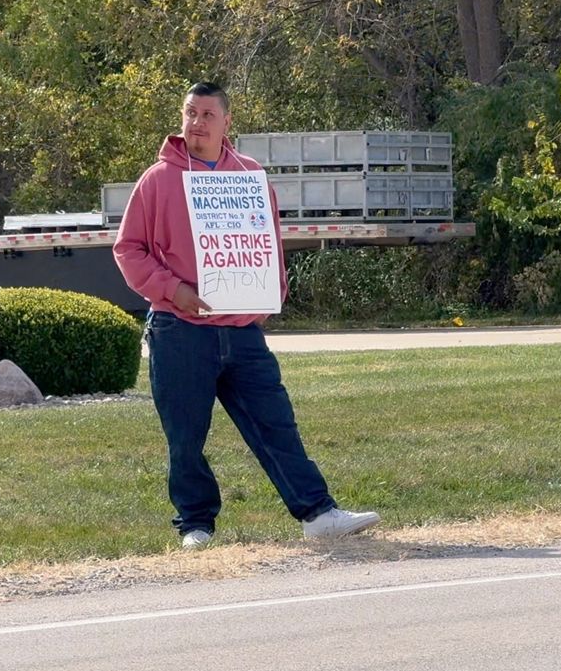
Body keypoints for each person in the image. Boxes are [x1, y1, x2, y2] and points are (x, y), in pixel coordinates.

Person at [112, 81, 379, 549]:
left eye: (207, 115)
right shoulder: (157, 180)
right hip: (180, 330)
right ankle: (196, 525)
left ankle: (318, 514)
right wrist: (175, 290)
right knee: (186, 437)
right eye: (190, 113)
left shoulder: (250, 176)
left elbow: (269, 245)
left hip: (241, 332)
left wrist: (270, 294)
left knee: (277, 424)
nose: (196, 123)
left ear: (226, 122)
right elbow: (128, 250)